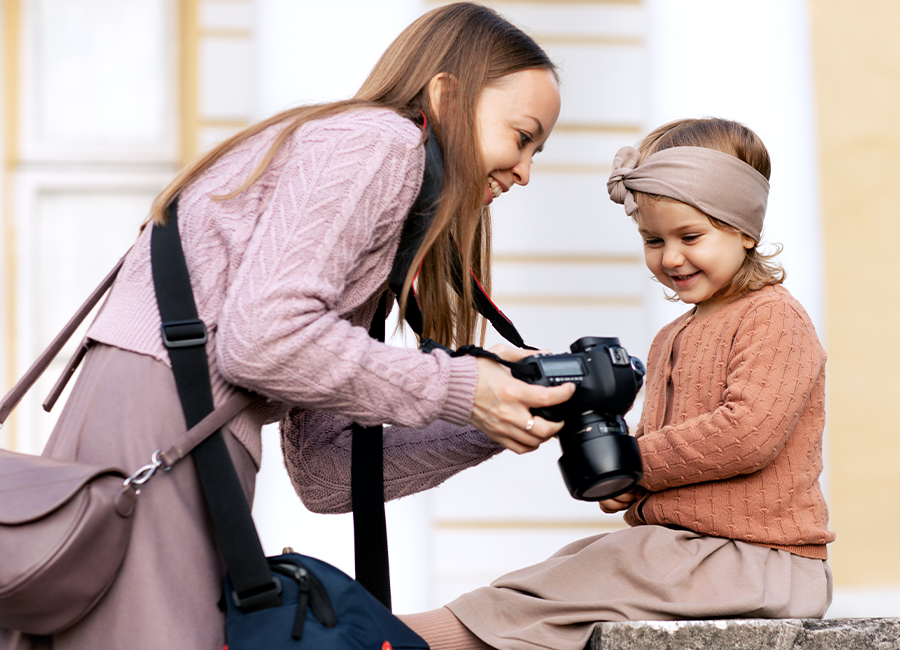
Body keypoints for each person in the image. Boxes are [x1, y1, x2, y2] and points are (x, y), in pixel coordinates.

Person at [0, 4, 572, 649]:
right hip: (163, 419)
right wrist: (465, 388)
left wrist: (494, 415)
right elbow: (264, 340)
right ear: (445, 94)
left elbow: (326, 474)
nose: (525, 171)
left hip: (187, 422)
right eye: (522, 137)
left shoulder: (371, 171)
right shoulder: (379, 143)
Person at [397, 118, 835, 650]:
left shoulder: (773, 318)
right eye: (653, 240)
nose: (670, 257)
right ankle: (438, 630)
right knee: (574, 564)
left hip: (760, 560)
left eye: (689, 237)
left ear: (744, 229)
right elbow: (659, 446)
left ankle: (413, 639)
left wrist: (635, 461)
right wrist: (628, 481)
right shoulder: (672, 335)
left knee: (595, 571)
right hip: (690, 551)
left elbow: (746, 435)